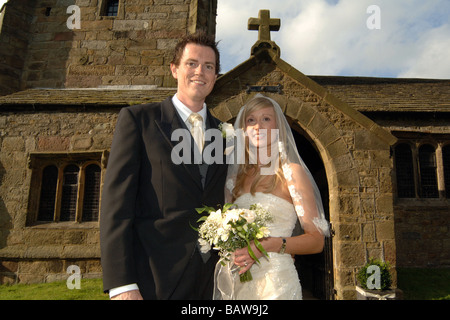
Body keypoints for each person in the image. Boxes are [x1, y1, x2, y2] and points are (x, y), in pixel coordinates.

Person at [100, 31, 227, 300]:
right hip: (153, 277)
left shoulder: (224, 133)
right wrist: (122, 284)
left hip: (212, 279)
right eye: (191, 63)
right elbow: (116, 206)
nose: (199, 72)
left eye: (209, 66)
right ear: (174, 69)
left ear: (215, 76)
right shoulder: (139, 120)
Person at [214, 94, 330, 300]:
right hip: (239, 282)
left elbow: (316, 241)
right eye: (251, 120)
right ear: (244, 130)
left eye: (266, 119)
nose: (258, 126)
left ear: (278, 127)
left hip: (277, 284)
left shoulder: (291, 173)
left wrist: (267, 245)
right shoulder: (234, 179)